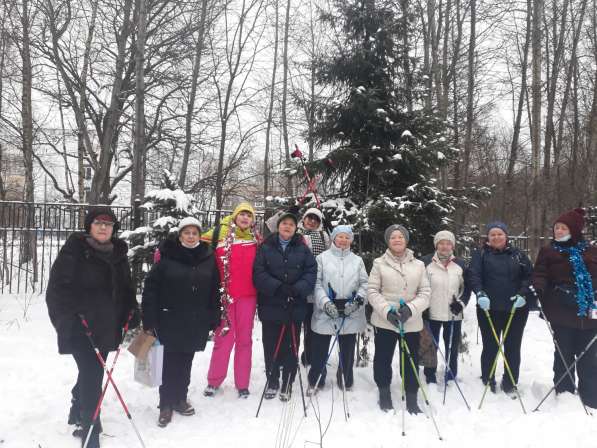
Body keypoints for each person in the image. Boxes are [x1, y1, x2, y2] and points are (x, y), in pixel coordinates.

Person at [46, 206, 140, 448]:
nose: (103, 227)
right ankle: (90, 430)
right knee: (92, 374)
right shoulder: (74, 251)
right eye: (98, 223)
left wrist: (132, 310)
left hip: (108, 327)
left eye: (108, 224)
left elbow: (126, 288)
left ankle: (76, 408)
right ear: (89, 227)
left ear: (113, 229)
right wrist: (66, 320)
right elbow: (57, 290)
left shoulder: (117, 254)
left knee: (93, 372)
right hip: (81, 328)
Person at [142, 217, 221, 427]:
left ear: (199, 235)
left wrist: (214, 317)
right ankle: (166, 403)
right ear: (180, 236)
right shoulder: (167, 258)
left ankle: (179, 399)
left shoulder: (208, 258)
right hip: (170, 319)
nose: (191, 236)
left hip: (195, 320)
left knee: (186, 362)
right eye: (187, 233)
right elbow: (151, 289)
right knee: (168, 363)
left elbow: (215, 289)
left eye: (194, 232)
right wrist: (150, 320)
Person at [532, 208, 597, 408]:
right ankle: (565, 391)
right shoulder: (548, 251)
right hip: (561, 310)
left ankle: (590, 395)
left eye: (563, 228)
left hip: (589, 311)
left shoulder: (591, 251)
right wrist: (538, 289)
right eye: (556, 228)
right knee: (563, 353)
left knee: (589, 356)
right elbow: (540, 274)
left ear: (574, 230)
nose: (558, 231)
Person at [253, 212, 317, 401]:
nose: (287, 226)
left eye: (291, 224)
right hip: (271, 303)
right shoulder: (266, 247)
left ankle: (288, 381)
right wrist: (278, 287)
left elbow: (311, 272)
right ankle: (272, 380)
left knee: (291, 345)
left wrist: (297, 289)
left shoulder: (302, 248)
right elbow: (258, 273)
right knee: (270, 344)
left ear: (296, 228)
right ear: (278, 226)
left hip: (294, 304)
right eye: (284, 223)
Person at [367, 224, 431, 414]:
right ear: (388, 241)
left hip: (410, 322)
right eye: (393, 237)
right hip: (385, 321)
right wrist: (387, 311)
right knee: (382, 359)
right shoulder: (379, 263)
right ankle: (384, 392)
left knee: (410, 360)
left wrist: (410, 310)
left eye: (400, 237)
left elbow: (425, 292)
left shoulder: (419, 265)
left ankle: (412, 395)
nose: (397, 240)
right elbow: (372, 291)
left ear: (406, 240)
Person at [201, 202, 260, 399]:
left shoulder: (256, 239)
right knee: (223, 339)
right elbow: (193, 244)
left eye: (249, 215)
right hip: (225, 297)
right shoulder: (218, 234)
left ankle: (242, 383)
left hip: (248, 297)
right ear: (235, 216)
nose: (245, 218)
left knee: (245, 341)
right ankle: (214, 380)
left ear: (252, 220)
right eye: (242, 214)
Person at [469, 221, 533, 394]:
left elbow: (528, 276)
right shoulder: (480, 255)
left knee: (513, 346)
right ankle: (488, 378)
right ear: (488, 237)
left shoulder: (518, 255)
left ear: (506, 236)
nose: (496, 237)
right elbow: (474, 275)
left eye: (500, 234)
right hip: (488, 309)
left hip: (515, 310)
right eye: (493, 234)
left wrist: (522, 293)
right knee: (491, 345)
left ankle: (510, 381)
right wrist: (480, 293)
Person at [307, 225, 368, 394]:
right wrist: (325, 303)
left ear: (351, 240)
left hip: (350, 310)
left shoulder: (357, 260)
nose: (343, 240)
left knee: (347, 349)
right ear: (333, 238)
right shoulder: (322, 258)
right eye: (340, 237)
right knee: (319, 348)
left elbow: (365, 284)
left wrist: (357, 302)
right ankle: (316, 380)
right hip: (326, 309)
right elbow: (316, 283)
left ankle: (346, 378)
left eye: (347, 237)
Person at [420, 230, 471, 384]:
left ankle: (451, 374)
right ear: (436, 245)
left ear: (452, 246)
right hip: (431, 312)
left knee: (452, 346)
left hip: (453, 313)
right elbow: (419, 286)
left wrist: (460, 303)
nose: (444, 246)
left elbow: (466, 288)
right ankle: (430, 375)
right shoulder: (425, 262)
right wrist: (423, 306)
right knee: (430, 346)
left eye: (448, 243)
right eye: (441, 243)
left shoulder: (460, 264)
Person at [298, 207, 331, 367]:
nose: (312, 221)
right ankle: (292, 355)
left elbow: (333, 251)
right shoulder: (296, 233)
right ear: (303, 219)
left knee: (313, 324)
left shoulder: (324, 235)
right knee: (299, 323)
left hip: (318, 285)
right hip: (300, 285)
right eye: (309, 218)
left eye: (315, 219)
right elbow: (273, 226)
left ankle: (310, 355)